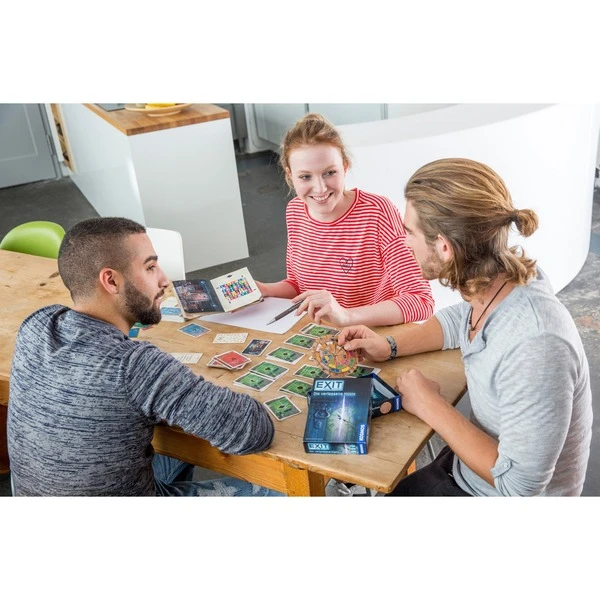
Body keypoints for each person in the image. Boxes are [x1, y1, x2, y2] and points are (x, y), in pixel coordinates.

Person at [338, 158, 593, 496]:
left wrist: (428, 403)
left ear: (444, 247)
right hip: (473, 466)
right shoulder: (502, 282)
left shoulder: (537, 345)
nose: (404, 242)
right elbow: (463, 317)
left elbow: (519, 487)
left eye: (409, 232)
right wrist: (389, 345)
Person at [7, 217, 282, 496]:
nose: (164, 280)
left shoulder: (36, 324)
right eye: (150, 267)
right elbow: (253, 431)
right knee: (285, 492)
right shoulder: (135, 366)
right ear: (111, 280)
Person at [256, 113, 433, 327]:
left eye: (330, 172)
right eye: (305, 176)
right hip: (320, 334)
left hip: (371, 335)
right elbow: (299, 285)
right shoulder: (295, 211)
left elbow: (420, 301)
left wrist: (346, 316)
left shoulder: (378, 212)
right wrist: (266, 290)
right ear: (290, 174)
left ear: (345, 166)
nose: (320, 188)